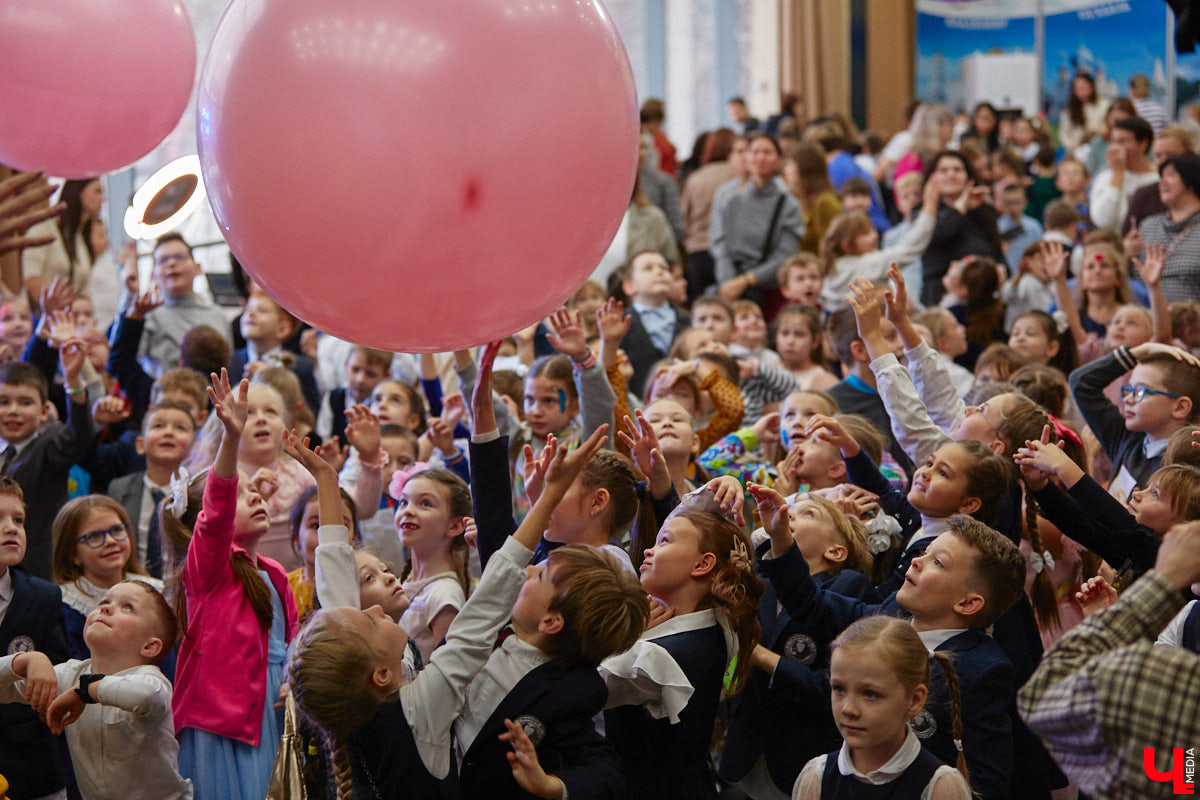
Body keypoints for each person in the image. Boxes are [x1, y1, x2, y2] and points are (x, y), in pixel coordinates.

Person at [285, 424, 609, 799]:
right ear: (381, 673)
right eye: (371, 620)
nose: (373, 608)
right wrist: (550, 495)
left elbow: (334, 582)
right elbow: (485, 606)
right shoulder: (417, 711)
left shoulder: (353, 700)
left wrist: (327, 479)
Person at [751, 478, 1024, 800]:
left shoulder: (983, 670)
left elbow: (985, 781)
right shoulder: (889, 612)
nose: (917, 560)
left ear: (967, 603)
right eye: (925, 552)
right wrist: (781, 537)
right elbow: (813, 603)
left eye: (938, 562)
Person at [600, 484, 764, 800]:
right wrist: (719, 488)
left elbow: (580, 691)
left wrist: (622, 640)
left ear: (702, 565)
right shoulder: (720, 624)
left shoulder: (659, 655)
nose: (648, 550)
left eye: (663, 542)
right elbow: (689, 524)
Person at [1018, 521, 1200, 798]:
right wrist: (1111, 628)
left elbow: (1045, 696)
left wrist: (1165, 579)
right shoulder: (1191, 615)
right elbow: (1144, 682)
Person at [721, 497, 878, 800]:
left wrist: (762, 656)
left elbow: (834, 683)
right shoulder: (761, 580)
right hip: (747, 752)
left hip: (802, 754)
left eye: (808, 513)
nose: (789, 514)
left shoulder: (846, 588)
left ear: (835, 551)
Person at [0, 579, 189, 799]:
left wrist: (84, 691)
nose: (105, 607)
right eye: (104, 601)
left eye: (127, 607)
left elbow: (148, 696)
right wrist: (26, 660)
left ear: (149, 646)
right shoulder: (70, 676)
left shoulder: (152, 680)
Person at [792, 616, 971, 800]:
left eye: (870, 694)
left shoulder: (939, 788)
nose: (848, 709)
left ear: (915, 700)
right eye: (839, 689)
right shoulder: (817, 777)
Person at [0, 475, 69, 799]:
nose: (12, 527)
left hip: (31, 765)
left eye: (19, 520)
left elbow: (57, 676)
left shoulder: (43, 596)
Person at [1, 344, 95, 580]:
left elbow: (79, 435)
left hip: (36, 573)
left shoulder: (49, 445)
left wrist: (73, 382)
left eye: (25, 403)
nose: (13, 411)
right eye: (3, 402)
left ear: (44, 411)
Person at [1069, 342, 1200, 499]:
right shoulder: (1126, 439)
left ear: (1180, 407)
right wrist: (1141, 351)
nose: (1128, 400)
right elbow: (1081, 382)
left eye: (1140, 391)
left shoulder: (1186, 466)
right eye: (1129, 389)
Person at [50, 495, 163, 660]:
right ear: (73, 554)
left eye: (117, 530)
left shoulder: (155, 592)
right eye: (94, 536)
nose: (110, 541)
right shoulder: (64, 605)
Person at [819, 173, 939, 312]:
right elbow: (910, 249)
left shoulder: (836, 266)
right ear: (847, 244)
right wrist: (930, 206)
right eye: (866, 234)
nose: (875, 236)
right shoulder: (861, 265)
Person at [105, 401, 197, 579]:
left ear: (194, 446)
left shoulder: (199, 494)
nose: (168, 432)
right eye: (158, 426)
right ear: (140, 444)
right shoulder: (119, 488)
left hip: (183, 588)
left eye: (180, 428)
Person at [711, 133, 804, 305]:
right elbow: (719, 242)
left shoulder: (788, 203)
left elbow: (785, 254)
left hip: (768, 287)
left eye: (767, 152)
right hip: (729, 285)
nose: (760, 157)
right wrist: (729, 282)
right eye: (754, 152)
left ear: (779, 159)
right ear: (746, 157)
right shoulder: (729, 197)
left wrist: (745, 281)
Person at [128, 233, 231, 378]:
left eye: (179, 257)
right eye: (163, 260)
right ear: (153, 275)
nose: (171, 264)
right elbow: (124, 359)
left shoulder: (217, 315)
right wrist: (129, 294)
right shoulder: (147, 318)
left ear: (197, 268)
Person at [920, 151, 1004, 307]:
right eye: (943, 170)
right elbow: (941, 233)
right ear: (932, 178)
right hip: (941, 295)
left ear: (968, 177)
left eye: (958, 170)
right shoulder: (924, 212)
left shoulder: (982, 211)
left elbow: (997, 253)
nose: (951, 175)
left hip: (984, 294)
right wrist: (960, 208)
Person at [619, 252, 691, 399]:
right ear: (629, 287)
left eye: (665, 269)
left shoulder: (688, 320)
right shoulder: (620, 323)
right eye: (648, 268)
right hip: (636, 402)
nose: (659, 272)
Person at [680, 129, 739, 300]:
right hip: (730, 250)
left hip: (699, 249)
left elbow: (684, 216)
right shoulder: (738, 176)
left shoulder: (696, 178)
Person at [22, 177, 103, 302]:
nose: (102, 199)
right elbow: (31, 279)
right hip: (43, 317)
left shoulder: (79, 238)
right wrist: (55, 308)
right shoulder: (44, 228)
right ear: (78, 192)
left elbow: (86, 292)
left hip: (72, 318)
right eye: (97, 191)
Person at [1135, 152, 1200, 304]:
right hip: (1146, 319)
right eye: (1161, 177)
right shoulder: (1149, 225)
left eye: (1170, 175)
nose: (1162, 182)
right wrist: (1125, 252)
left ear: (1191, 178)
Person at [1089, 116, 1158, 232]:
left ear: (1143, 144)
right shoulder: (1105, 177)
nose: (1115, 148)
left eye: (1123, 141)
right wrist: (1118, 174)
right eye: (1113, 142)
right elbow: (1103, 221)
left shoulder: (1158, 179)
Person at [783, 142, 842, 257]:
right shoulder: (797, 201)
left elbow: (831, 249)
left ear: (805, 168)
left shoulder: (824, 202)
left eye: (790, 164)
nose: (786, 170)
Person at [1058, 73, 1107, 154]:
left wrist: (1094, 133)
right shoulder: (1068, 110)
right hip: (1075, 150)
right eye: (1078, 88)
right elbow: (1063, 134)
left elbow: (1106, 127)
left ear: (1091, 86)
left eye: (1084, 87)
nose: (1081, 91)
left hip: (1098, 148)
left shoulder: (1103, 105)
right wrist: (1073, 146)